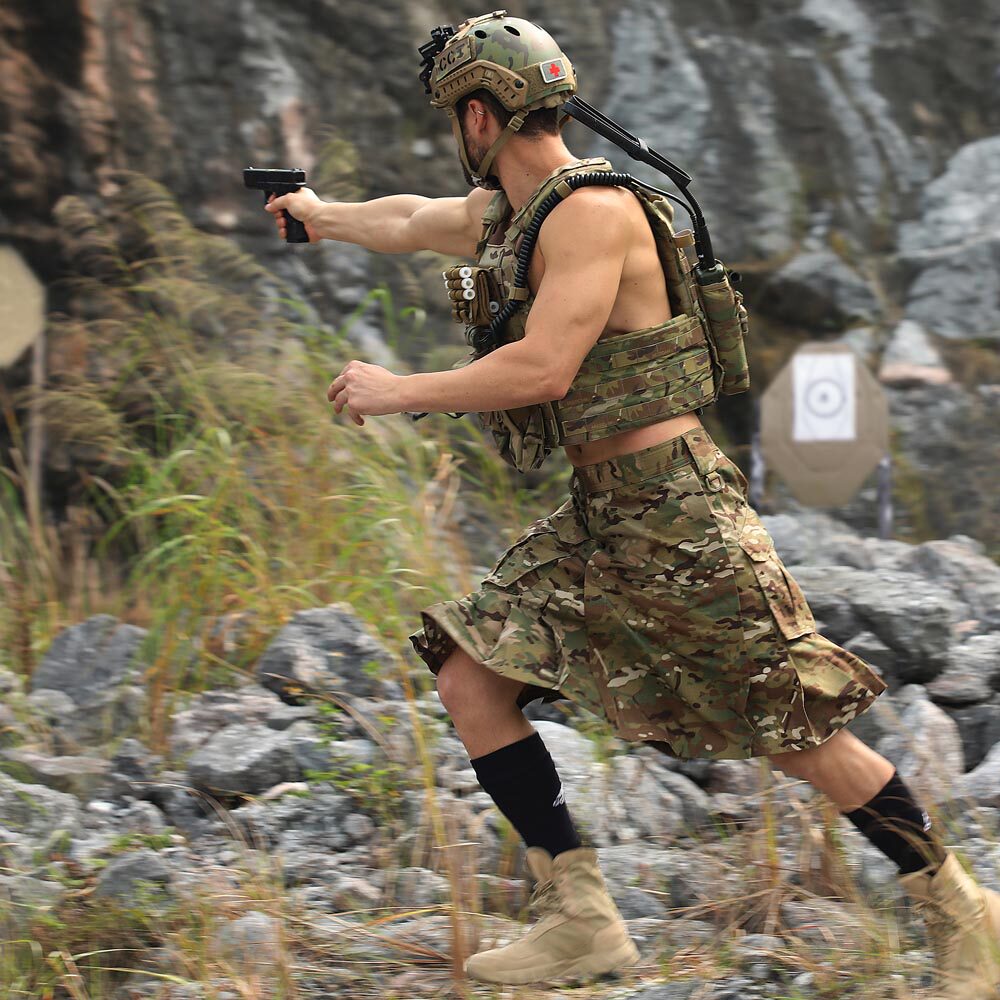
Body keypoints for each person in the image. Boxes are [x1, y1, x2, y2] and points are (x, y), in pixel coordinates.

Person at [264, 11, 1000, 993]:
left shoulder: (592, 213)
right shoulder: (518, 214)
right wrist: (322, 214)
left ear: (477, 116)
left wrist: (400, 390)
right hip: (603, 507)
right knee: (472, 675)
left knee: (797, 730)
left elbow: (545, 366)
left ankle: (962, 909)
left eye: (455, 117)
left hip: (679, 513)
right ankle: (581, 919)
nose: (456, 136)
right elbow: (411, 220)